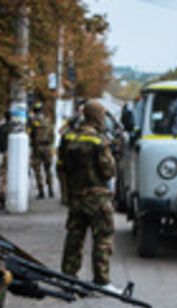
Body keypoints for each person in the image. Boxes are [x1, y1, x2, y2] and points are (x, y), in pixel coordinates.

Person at [58, 100, 121, 295]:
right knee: (102, 239)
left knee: (74, 238)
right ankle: (101, 281)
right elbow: (108, 172)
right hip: (98, 198)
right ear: (98, 117)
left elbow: (61, 167)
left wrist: (66, 193)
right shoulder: (99, 141)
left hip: (76, 197)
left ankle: (68, 278)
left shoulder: (68, 138)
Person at [27, 101, 55, 199]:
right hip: (47, 147)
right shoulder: (48, 120)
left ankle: (41, 191)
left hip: (37, 148)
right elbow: (52, 134)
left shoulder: (32, 121)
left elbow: (29, 134)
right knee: (48, 169)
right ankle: (51, 189)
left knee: (37, 169)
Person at [0, 111, 12, 209]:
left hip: (5, 152)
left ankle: (2, 196)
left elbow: (0, 143)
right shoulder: (16, 128)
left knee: (4, 176)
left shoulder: (1, 128)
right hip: (17, 154)